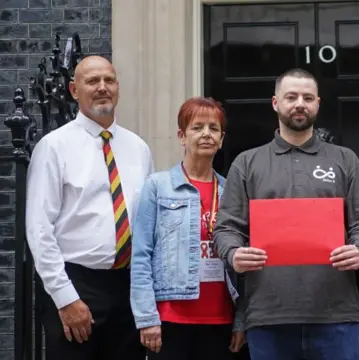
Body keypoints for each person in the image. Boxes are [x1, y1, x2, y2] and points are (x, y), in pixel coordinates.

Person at [213, 68, 359, 360]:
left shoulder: (344, 159)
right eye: (291, 97)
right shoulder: (247, 163)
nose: (299, 104)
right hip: (268, 316)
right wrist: (233, 254)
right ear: (275, 103)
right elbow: (226, 229)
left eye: (307, 97)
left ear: (318, 103)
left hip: (336, 315)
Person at [25, 56, 152, 360]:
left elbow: (147, 223)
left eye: (109, 80)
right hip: (76, 282)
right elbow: (39, 229)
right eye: (92, 81)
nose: (102, 88)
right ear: (73, 90)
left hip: (127, 286)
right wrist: (65, 298)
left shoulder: (139, 148)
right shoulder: (54, 147)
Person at [130, 97, 246, 359]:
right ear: (182, 136)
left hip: (220, 320)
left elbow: (244, 269)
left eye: (213, 128)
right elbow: (140, 257)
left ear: (222, 138)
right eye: (197, 127)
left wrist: (241, 321)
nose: (206, 134)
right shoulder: (157, 187)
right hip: (171, 319)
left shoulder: (232, 191)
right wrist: (147, 318)